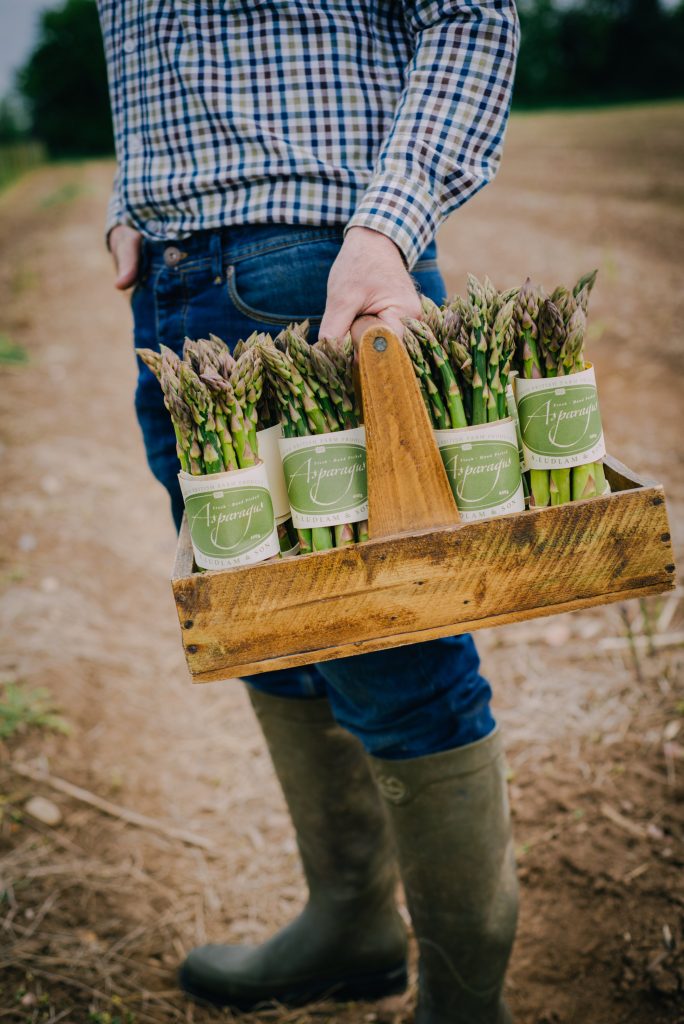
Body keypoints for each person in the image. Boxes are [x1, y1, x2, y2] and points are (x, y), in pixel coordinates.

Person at [97, 2, 520, 1020]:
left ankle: (467, 1005)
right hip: (176, 287)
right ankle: (352, 921)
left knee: (398, 654)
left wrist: (387, 226)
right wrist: (132, 195)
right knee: (270, 628)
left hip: (320, 271)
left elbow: (472, 15)